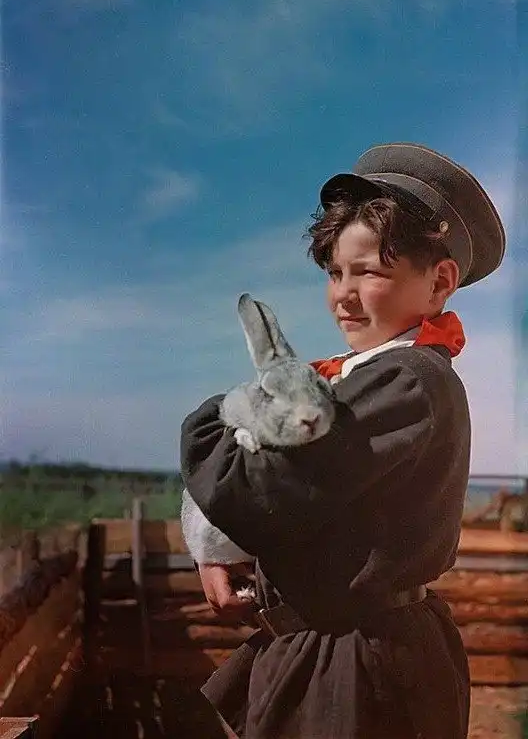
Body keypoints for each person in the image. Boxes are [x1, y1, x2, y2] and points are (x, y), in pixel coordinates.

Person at [180, 142, 506, 739]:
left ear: (439, 282)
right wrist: (216, 548)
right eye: (335, 272)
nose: (343, 296)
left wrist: (221, 417)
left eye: (370, 272)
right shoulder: (363, 377)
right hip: (332, 647)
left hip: (359, 666)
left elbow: (258, 490)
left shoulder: (407, 379)